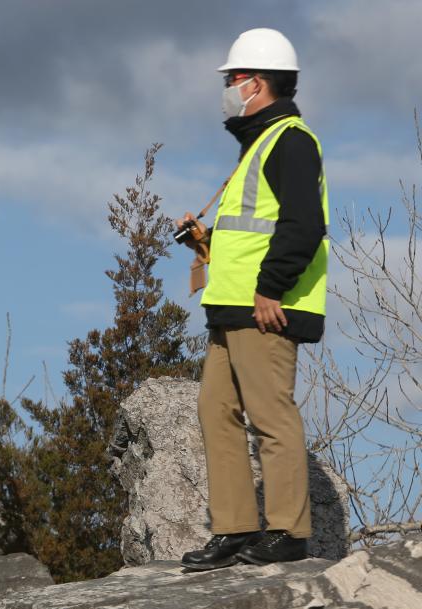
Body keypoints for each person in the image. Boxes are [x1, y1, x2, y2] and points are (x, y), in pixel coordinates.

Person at [177, 28, 329, 570]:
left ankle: (289, 534)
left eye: (232, 78)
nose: (227, 86)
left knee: (271, 415)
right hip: (235, 309)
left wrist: (271, 289)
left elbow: (304, 225)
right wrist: (207, 242)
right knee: (215, 410)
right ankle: (236, 529)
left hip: (265, 308)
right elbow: (256, 231)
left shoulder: (291, 139)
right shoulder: (262, 142)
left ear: (257, 83)